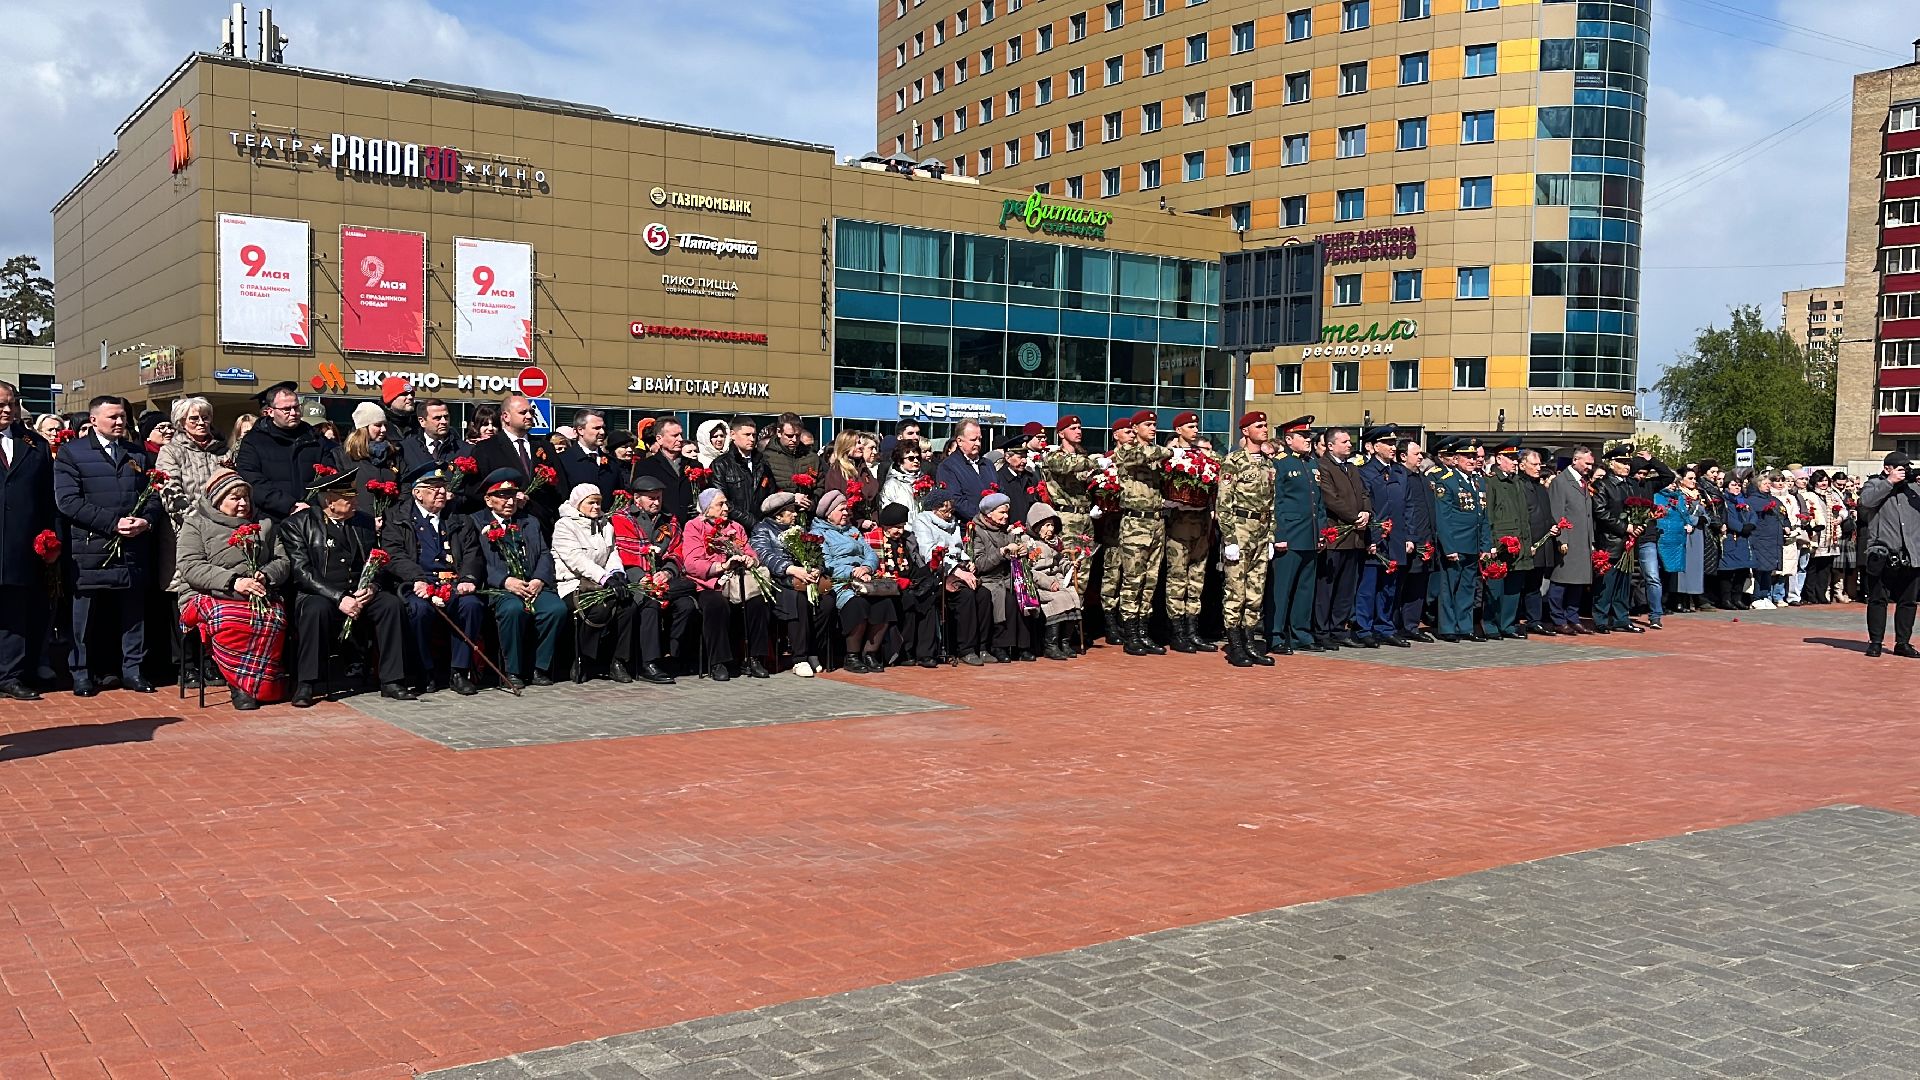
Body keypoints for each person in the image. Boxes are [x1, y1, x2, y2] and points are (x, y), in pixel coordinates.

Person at [54, 395, 162, 696]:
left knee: (133, 613)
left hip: (132, 547)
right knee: (84, 618)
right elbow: (68, 501)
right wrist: (112, 523)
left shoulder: (136, 453)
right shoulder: (71, 453)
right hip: (90, 548)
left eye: (122, 417)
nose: (120, 422)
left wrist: (146, 520)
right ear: (93, 420)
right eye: (113, 417)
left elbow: (153, 494)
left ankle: (133, 671)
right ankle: (82, 673)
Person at [280, 466, 413, 707]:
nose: (356, 502)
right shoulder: (298, 525)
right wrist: (339, 597)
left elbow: (378, 559)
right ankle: (307, 683)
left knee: (390, 605)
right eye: (349, 498)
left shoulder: (362, 521)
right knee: (315, 611)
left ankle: (392, 680)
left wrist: (373, 585)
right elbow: (302, 572)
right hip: (321, 592)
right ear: (330, 501)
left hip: (359, 592)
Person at [172, 470, 289, 709]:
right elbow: (190, 565)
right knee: (230, 620)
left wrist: (265, 575)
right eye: (235, 498)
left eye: (245, 497)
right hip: (209, 591)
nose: (243, 503)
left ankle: (262, 681)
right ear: (217, 500)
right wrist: (233, 581)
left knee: (272, 617)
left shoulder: (264, 523)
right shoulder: (197, 523)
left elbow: (282, 560)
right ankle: (240, 685)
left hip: (256, 589)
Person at [381, 462, 487, 696]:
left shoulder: (459, 519)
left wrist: (468, 578)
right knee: (419, 611)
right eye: (434, 487)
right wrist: (416, 578)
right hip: (417, 583)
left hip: (453, 583)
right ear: (417, 492)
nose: (441, 492)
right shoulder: (398, 517)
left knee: (471, 605)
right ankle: (424, 670)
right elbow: (393, 555)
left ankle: (458, 671)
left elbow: (472, 553)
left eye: (443, 487)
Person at [471, 468, 566, 689]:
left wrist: (539, 579)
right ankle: (512, 670)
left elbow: (544, 552)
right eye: (502, 497)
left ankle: (539, 667)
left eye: (512, 496)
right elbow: (476, 560)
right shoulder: (476, 522)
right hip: (502, 587)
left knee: (555, 609)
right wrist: (505, 581)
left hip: (532, 584)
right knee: (513, 610)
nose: (509, 502)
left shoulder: (529, 521)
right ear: (488, 499)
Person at [679, 487, 772, 680]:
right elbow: (691, 563)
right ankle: (718, 662)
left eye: (726, 503)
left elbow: (751, 552)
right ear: (706, 508)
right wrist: (722, 565)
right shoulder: (694, 526)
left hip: (738, 582)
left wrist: (750, 560)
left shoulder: (735, 527)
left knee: (757, 602)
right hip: (709, 583)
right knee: (716, 604)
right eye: (720, 504)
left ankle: (754, 658)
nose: (726, 508)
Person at [0, 381, 56, 699]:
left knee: (15, 614)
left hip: (20, 544)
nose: (7, 410)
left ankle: (10, 675)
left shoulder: (32, 443)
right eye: (0, 405)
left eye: (12, 403)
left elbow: (46, 496)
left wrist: (50, 537)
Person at [549, 483, 636, 684]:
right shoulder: (565, 526)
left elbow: (612, 552)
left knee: (628, 606)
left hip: (603, 582)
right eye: (591, 503)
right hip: (573, 584)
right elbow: (576, 560)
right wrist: (605, 578)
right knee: (600, 608)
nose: (596, 507)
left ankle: (618, 661)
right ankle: (584, 658)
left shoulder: (606, 524)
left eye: (598, 502)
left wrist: (617, 573)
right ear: (578, 504)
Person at [608, 475, 690, 684]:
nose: (656, 502)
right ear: (637, 499)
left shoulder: (669, 520)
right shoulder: (623, 517)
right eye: (651, 498)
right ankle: (649, 662)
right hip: (635, 578)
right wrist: (643, 578)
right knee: (649, 604)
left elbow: (676, 551)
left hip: (664, 578)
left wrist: (668, 572)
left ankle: (672, 654)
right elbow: (625, 554)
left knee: (686, 605)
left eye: (659, 498)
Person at [1215, 411, 1276, 668]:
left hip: (1261, 533)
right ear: (1245, 431)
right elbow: (1223, 504)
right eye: (1259, 426)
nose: (1264, 429)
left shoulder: (1268, 463)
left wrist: (1271, 536)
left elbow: (1271, 504)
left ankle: (1250, 643)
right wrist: (1229, 539)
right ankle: (1235, 646)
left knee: (1255, 594)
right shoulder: (1233, 461)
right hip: (1240, 531)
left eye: (1265, 425)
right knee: (1235, 593)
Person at [750, 491, 833, 676]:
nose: (795, 514)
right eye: (790, 511)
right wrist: (791, 569)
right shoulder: (762, 530)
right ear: (778, 514)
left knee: (827, 603)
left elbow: (815, 551)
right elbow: (765, 556)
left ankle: (813, 650)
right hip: (780, 581)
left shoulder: (799, 529)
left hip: (804, 579)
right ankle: (799, 658)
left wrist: (816, 567)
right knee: (798, 600)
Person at [814, 488, 895, 673]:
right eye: (841, 509)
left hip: (864, 578)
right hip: (841, 581)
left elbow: (870, 554)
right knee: (857, 604)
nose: (846, 513)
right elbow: (826, 563)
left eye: (846, 509)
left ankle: (870, 653)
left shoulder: (852, 530)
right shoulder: (820, 534)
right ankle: (852, 656)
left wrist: (866, 568)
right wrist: (852, 572)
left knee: (884, 603)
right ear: (828, 513)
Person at [1109, 411, 1171, 655]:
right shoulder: (1127, 450)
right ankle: (1130, 634)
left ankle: (1144, 632)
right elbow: (1151, 453)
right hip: (1135, 523)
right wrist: (1170, 451)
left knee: (1150, 580)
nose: (1153, 428)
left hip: (1156, 522)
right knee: (1133, 579)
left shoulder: (1152, 452)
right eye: (1148, 425)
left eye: (1155, 424)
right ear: (1134, 428)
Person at [1158, 411, 1217, 653]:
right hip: (1179, 525)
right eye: (1189, 426)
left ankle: (1193, 630)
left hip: (1201, 523)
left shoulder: (1205, 457)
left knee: (1197, 580)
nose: (1194, 430)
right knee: (1177, 579)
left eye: (1195, 426)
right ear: (1178, 430)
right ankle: (1178, 632)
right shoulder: (1171, 456)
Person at [912, 486, 990, 664]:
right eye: (944, 510)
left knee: (983, 594)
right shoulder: (923, 521)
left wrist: (967, 561)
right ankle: (966, 649)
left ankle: (983, 646)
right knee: (965, 595)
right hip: (937, 572)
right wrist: (956, 570)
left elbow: (958, 548)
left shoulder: (953, 523)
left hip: (957, 568)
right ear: (934, 508)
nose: (948, 514)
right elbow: (928, 552)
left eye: (950, 510)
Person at [234, 382, 328, 522]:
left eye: (296, 407)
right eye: (286, 409)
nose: (293, 413)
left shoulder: (315, 439)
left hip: (312, 516)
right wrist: (289, 505)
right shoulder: (254, 441)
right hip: (271, 519)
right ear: (270, 411)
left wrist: (311, 505)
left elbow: (330, 475)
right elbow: (252, 480)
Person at [1267, 415, 1322, 656]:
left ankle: (1301, 633)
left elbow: (1317, 502)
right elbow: (1276, 502)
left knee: (1305, 588)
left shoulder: (1311, 463)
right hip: (1289, 536)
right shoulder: (1280, 463)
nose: (1309, 440)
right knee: (1281, 589)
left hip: (1309, 535)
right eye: (1304, 436)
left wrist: (1320, 532)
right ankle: (1275, 635)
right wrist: (1279, 534)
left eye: (1310, 436)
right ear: (1289, 439)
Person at [469, 393, 563, 532]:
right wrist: (506, 498)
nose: (530, 416)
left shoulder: (544, 447)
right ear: (506, 416)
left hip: (542, 525)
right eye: (523, 412)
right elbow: (474, 489)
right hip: (503, 527)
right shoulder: (486, 449)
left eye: (531, 412)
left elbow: (560, 487)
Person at [1315, 427, 1372, 649]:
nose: (1350, 445)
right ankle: (1322, 631)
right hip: (1336, 535)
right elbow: (1330, 499)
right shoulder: (1324, 467)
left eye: (1350, 441)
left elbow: (1364, 493)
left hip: (1354, 537)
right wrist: (1353, 516)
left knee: (1346, 589)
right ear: (1331, 445)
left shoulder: (1352, 468)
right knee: (1327, 587)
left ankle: (1339, 629)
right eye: (1345, 441)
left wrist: (1366, 511)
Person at [1859, 452, 1920, 657]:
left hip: (1911, 553)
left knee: (1908, 601)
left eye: (1907, 468)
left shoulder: (1914, 490)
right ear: (1888, 469)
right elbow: (1866, 502)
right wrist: (1889, 482)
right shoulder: (1873, 485)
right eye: (1901, 468)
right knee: (1877, 599)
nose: (1905, 471)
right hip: (1883, 551)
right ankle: (1876, 641)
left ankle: (1903, 643)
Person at [965, 490, 1036, 662]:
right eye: (1002, 512)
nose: (1006, 516)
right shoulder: (977, 532)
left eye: (1007, 512)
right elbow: (980, 564)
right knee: (1007, 599)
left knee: (1023, 595)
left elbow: (1018, 548)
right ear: (989, 513)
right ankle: (1000, 646)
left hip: (1008, 577)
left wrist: (1023, 550)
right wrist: (1002, 551)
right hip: (989, 580)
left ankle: (1023, 646)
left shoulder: (1007, 530)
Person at [1429, 438, 1488, 642]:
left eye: (1474, 456)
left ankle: (1465, 626)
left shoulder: (1479, 481)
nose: (1472, 460)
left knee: (1467, 587)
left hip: (1472, 543)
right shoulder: (1447, 480)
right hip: (1455, 544)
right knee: (1449, 587)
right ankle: (1447, 627)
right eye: (1467, 456)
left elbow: (1483, 517)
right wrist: (1448, 547)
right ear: (1456, 459)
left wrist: (1485, 545)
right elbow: (1443, 518)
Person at [1354, 425, 1408, 648]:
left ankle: (1384, 627)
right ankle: (1363, 628)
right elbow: (1368, 505)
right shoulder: (1365, 472)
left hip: (1395, 537)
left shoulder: (1399, 471)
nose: (1392, 448)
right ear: (1375, 447)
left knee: (1389, 586)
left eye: (1394, 444)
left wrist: (1409, 536)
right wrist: (1372, 538)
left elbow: (1408, 506)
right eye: (1387, 443)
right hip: (1375, 537)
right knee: (1368, 587)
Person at [1482, 440, 1536, 639]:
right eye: (1511, 458)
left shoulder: (1518, 483)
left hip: (1519, 544)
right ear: (1498, 459)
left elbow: (1524, 517)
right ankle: (1491, 626)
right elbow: (1488, 516)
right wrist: (1492, 545)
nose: (1515, 462)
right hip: (1501, 545)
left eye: (1516, 458)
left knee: (1514, 588)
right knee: (1496, 588)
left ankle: (1508, 625)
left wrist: (1528, 544)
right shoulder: (1491, 483)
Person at [1589, 444, 1642, 633]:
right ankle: (1601, 619)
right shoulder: (1603, 485)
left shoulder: (1631, 485)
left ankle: (1622, 618)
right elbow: (1601, 513)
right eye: (1622, 462)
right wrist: (1625, 527)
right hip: (1610, 542)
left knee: (1624, 583)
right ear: (1612, 464)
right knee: (1606, 584)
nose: (1627, 466)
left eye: (1629, 462)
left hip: (1629, 542)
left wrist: (1639, 524)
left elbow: (1639, 508)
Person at [1547, 445, 1597, 633]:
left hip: (1582, 540)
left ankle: (1573, 616)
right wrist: (1562, 539)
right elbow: (1557, 512)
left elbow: (1587, 515)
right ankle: (1558, 619)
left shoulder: (1583, 482)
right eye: (1587, 463)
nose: (1589, 468)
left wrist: (1590, 541)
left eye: (1591, 464)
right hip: (1568, 540)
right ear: (1575, 460)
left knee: (1578, 582)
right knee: (1561, 581)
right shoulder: (1561, 482)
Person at [1022, 503, 1082, 661]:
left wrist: (1070, 566)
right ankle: (1051, 645)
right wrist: (1048, 583)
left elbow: (1060, 561)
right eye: (1046, 525)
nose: (1050, 529)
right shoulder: (1027, 542)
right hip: (1041, 584)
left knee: (1074, 597)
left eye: (1052, 525)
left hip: (1058, 580)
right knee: (1060, 600)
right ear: (1037, 526)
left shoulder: (1055, 543)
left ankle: (1065, 642)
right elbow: (1028, 570)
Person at [1093, 419, 1134, 645]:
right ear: (1116, 435)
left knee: (1131, 574)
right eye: (1126, 432)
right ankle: (1109, 623)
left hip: (1134, 526)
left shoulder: (1137, 458)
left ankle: (1126, 620)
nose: (1131, 435)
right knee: (1113, 572)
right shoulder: (1108, 459)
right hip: (1113, 526)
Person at [1396, 438, 1438, 643]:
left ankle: (1411, 624)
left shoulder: (1422, 477)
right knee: (1401, 585)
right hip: (1408, 541)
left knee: (1419, 586)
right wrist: (1407, 537)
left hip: (1425, 540)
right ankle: (1396, 624)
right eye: (1417, 454)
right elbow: (1401, 510)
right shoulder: (1399, 476)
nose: (1421, 456)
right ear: (1403, 456)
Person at [1518, 447, 1560, 634]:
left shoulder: (1540, 487)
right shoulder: (1519, 485)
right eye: (1534, 464)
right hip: (1528, 544)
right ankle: (1514, 619)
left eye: (1539, 464)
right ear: (1522, 465)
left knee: (1535, 584)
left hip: (1543, 543)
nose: (1538, 468)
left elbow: (1545, 512)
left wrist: (1553, 525)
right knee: (1520, 584)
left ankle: (1534, 620)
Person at [1654, 468, 1704, 616]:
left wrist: (1689, 523)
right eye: (1669, 483)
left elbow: (1684, 513)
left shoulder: (1679, 497)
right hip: (1663, 537)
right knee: (1660, 572)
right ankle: (1658, 603)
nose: (1672, 486)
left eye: (1674, 483)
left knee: (1671, 572)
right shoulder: (1657, 496)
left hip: (1677, 539)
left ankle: (1667, 601)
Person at [710, 417, 774, 530]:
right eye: (747, 434)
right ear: (733, 435)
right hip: (732, 527)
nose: (752, 439)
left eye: (754, 435)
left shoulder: (763, 463)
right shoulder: (721, 465)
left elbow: (771, 495)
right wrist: (750, 521)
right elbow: (721, 500)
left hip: (761, 528)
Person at [342, 401, 400, 520]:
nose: (383, 429)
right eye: (378, 425)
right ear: (364, 428)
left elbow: (404, 487)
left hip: (391, 523)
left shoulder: (393, 453)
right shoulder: (344, 456)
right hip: (359, 522)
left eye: (385, 425)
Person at [635, 417, 697, 521]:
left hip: (690, 524)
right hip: (660, 525)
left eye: (681, 435)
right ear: (659, 439)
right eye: (674, 436)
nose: (680, 439)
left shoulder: (694, 465)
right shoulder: (645, 466)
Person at [933, 419, 995, 520]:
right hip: (967, 527)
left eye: (980, 439)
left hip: (994, 526)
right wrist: (984, 518)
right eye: (973, 440)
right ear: (959, 441)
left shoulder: (988, 465)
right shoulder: (948, 466)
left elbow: (1001, 491)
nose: (978, 443)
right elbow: (955, 500)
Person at [554, 409, 616, 503]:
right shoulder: (562, 460)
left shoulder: (612, 463)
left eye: (603, 427)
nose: (602, 432)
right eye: (596, 428)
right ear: (580, 430)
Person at [1804, 471, 1846, 604]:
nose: (1823, 484)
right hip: (1817, 534)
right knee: (1813, 566)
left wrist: (1839, 518)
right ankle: (1810, 594)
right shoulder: (1809, 495)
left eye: (1825, 481)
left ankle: (1821, 593)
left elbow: (1843, 510)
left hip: (1831, 535)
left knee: (1825, 567)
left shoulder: (1832, 495)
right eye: (1820, 481)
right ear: (1815, 482)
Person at [1745, 472, 1786, 610]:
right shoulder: (1753, 500)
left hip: (1773, 540)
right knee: (1760, 570)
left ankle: (1765, 595)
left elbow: (1783, 515)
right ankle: (1756, 597)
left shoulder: (1773, 500)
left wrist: (1787, 526)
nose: (1768, 486)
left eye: (1769, 483)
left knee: (1768, 569)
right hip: (1761, 539)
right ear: (1758, 485)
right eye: (1765, 484)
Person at [398, 398, 465, 478]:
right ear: (422, 421)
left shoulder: (464, 449)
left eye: (446, 417)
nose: (444, 422)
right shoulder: (406, 449)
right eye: (437, 418)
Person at [1720, 473, 1758, 609]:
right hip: (1732, 537)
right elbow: (1728, 518)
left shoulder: (1744, 501)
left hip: (1744, 540)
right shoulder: (1725, 501)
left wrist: (1751, 524)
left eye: (1739, 485)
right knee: (1729, 571)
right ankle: (1726, 599)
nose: (1737, 488)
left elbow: (1753, 514)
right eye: (1733, 485)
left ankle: (1737, 598)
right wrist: (1741, 527)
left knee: (1742, 570)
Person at [765, 412, 822, 499]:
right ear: (779, 433)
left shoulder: (812, 458)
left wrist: (812, 503)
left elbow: (821, 486)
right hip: (780, 510)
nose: (794, 440)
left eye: (798, 435)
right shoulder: (766, 458)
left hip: (807, 509)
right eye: (790, 436)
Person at [878, 441, 926, 517]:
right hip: (904, 527)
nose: (916, 461)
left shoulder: (925, 481)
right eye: (911, 458)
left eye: (918, 458)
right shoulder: (892, 484)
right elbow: (887, 511)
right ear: (900, 461)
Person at [378, 375, 420, 446]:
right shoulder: (376, 424)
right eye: (404, 394)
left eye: (412, 394)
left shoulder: (420, 424)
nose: (410, 397)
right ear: (390, 399)